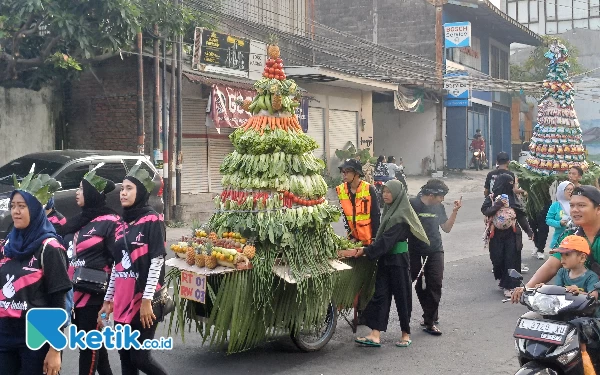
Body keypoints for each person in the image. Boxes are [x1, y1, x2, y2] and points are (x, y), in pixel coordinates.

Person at [98, 163, 168, 375]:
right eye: (122, 189)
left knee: (140, 357)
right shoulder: (120, 224)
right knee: (125, 357)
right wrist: (108, 300)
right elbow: (116, 265)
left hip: (142, 300)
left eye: (129, 188)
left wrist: (147, 300)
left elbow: (157, 260)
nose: (124, 193)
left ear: (140, 191)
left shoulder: (152, 220)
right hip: (121, 300)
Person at [0, 170, 71, 375]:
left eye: (22, 206)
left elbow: (59, 301)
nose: (16, 212)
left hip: (37, 336)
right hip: (5, 335)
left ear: (35, 210)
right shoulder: (7, 247)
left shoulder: (50, 247)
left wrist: (55, 349)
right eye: (13, 206)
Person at [353, 180, 429, 348]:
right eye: (383, 191)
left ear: (397, 194)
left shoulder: (401, 216)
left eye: (389, 192)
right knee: (380, 294)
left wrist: (366, 251)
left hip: (398, 261)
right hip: (385, 260)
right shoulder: (388, 212)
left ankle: (405, 334)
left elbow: (387, 241)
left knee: (402, 296)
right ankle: (375, 334)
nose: (384, 194)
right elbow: (381, 240)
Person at [62, 167, 118, 375]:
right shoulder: (78, 221)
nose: (76, 192)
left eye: (81, 189)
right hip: (73, 294)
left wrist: (110, 299)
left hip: (95, 296)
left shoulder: (111, 223)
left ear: (92, 194)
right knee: (95, 351)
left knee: (88, 350)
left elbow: (117, 262)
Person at [409, 179, 461, 336]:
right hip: (415, 251)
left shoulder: (439, 207)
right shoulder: (413, 204)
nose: (442, 200)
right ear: (431, 194)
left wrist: (455, 211)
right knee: (420, 286)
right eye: (441, 196)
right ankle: (430, 313)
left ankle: (429, 322)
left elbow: (446, 228)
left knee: (435, 283)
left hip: (435, 250)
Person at [482, 173, 534, 298]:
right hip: (496, 235)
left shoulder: (514, 198)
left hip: (512, 234)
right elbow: (485, 210)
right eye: (509, 183)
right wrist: (498, 205)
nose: (511, 186)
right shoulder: (492, 198)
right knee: (498, 259)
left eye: (512, 183)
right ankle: (502, 280)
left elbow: (521, 217)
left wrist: (529, 231)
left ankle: (510, 285)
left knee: (511, 259)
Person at [337, 159, 381, 245]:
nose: (344, 174)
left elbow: (376, 215)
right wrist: (351, 237)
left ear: (357, 174)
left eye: (347, 171)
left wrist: (374, 238)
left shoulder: (369, 189)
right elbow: (345, 217)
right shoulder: (341, 190)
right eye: (343, 171)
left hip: (368, 240)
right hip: (353, 240)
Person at [546, 181, 575, 254]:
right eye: (568, 189)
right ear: (561, 191)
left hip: (575, 240)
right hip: (559, 239)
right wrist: (559, 223)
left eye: (572, 190)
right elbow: (548, 220)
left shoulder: (577, 204)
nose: (570, 192)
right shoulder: (556, 205)